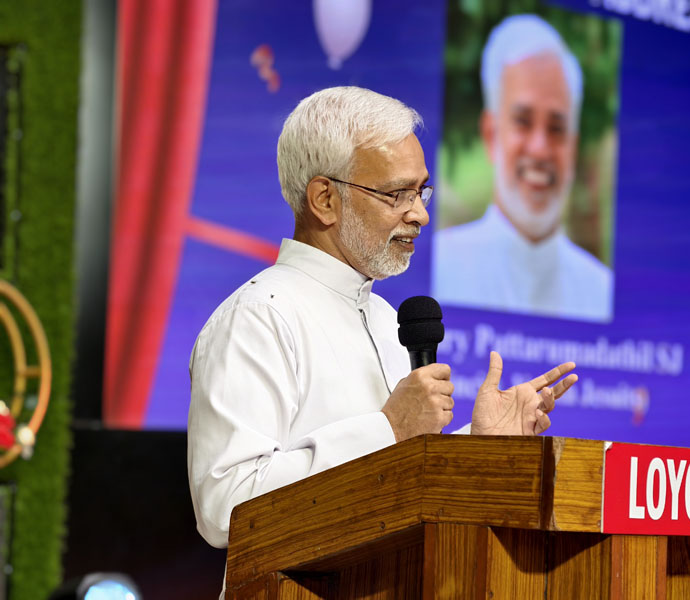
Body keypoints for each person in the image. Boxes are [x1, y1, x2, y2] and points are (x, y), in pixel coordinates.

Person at [187, 87, 578, 553]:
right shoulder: (258, 318)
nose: (421, 214)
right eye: (397, 194)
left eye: (421, 191)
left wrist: (477, 445)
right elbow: (225, 508)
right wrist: (388, 428)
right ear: (325, 199)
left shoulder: (385, 318)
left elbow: (398, 488)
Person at [433, 15, 613, 322]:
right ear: (491, 135)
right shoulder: (443, 268)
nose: (540, 149)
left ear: (573, 147)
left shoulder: (600, 291)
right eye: (523, 122)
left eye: (556, 128)